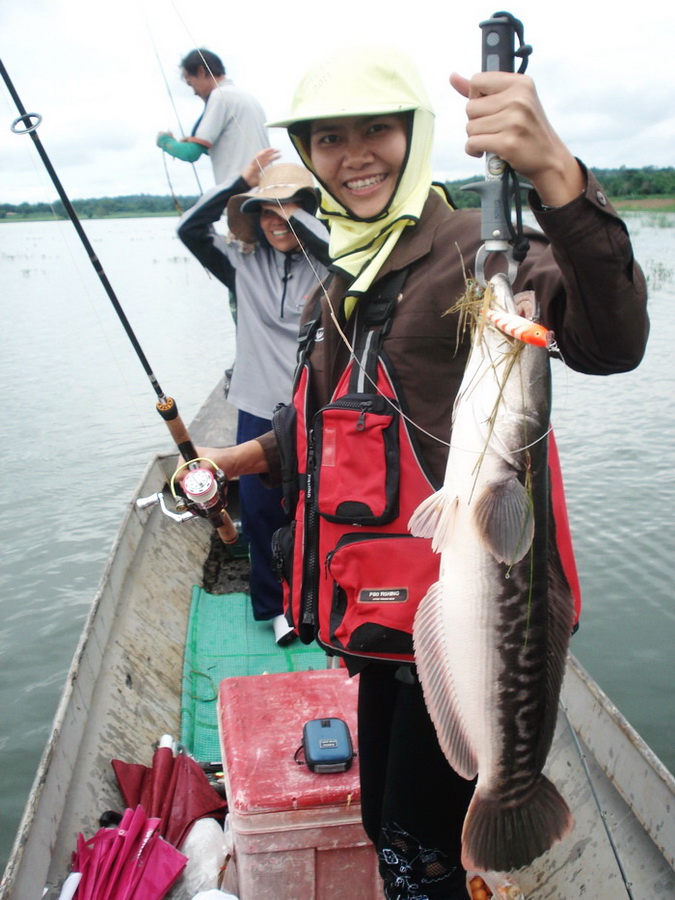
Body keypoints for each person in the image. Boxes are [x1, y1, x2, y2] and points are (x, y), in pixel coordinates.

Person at [196, 47, 648, 897]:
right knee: (381, 820)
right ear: (309, 153)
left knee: (414, 839)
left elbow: (610, 341)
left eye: (378, 131)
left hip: (468, 595)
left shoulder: (476, 253)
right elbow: (327, 425)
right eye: (328, 138)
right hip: (374, 608)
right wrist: (243, 459)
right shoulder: (341, 271)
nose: (354, 154)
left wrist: (555, 171)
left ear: (418, 134)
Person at [178, 148, 330, 644]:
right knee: (263, 514)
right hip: (257, 408)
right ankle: (275, 605)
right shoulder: (242, 266)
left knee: (320, 506)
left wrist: (300, 215)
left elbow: (341, 250)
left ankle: (326, 594)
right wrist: (238, 181)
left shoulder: (334, 265)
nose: (275, 220)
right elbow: (190, 231)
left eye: (287, 208)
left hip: (320, 407)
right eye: (265, 210)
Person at [156, 49, 269, 186]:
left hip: (241, 193)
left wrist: (164, 141)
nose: (194, 93)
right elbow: (235, 146)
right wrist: (200, 145)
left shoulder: (219, 96)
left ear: (201, 71)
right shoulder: (247, 98)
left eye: (191, 84)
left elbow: (190, 154)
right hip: (264, 188)